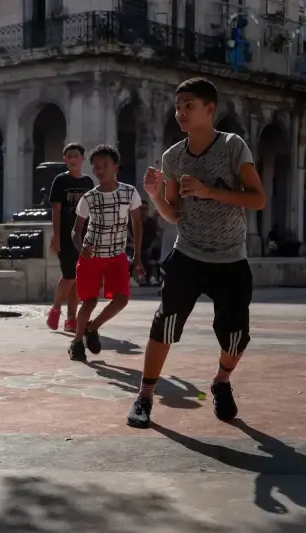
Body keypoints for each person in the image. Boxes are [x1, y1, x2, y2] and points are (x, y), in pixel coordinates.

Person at [127, 77, 265, 428]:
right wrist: (155, 194)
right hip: (187, 254)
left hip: (230, 259)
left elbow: (257, 199)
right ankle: (144, 396)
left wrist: (209, 191)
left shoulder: (234, 147)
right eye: (178, 106)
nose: (181, 113)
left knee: (236, 336)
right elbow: (173, 213)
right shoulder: (173, 156)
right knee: (165, 323)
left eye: (189, 105)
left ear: (209, 109)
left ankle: (221, 381)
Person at [68, 144, 143, 362]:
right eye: (96, 167)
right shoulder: (89, 198)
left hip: (116, 256)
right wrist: (81, 247)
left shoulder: (130, 193)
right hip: (91, 257)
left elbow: (136, 224)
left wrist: (137, 256)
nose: (100, 170)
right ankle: (77, 342)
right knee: (89, 302)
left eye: (104, 166)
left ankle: (93, 327)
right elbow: (76, 230)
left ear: (115, 167)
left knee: (121, 300)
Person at [47, 143, 94, 332]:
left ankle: (71, 320)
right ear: (64, 159)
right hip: (66, 235)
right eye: (69, 156)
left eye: (76, 155)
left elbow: (91, 211)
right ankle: (55, 309)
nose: (73, 159)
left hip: (83, 236)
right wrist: (56, 236)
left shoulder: (88, 183)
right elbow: (56, 210)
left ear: (83, 158)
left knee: (77, 278)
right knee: (68, 275)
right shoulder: (60, 181)